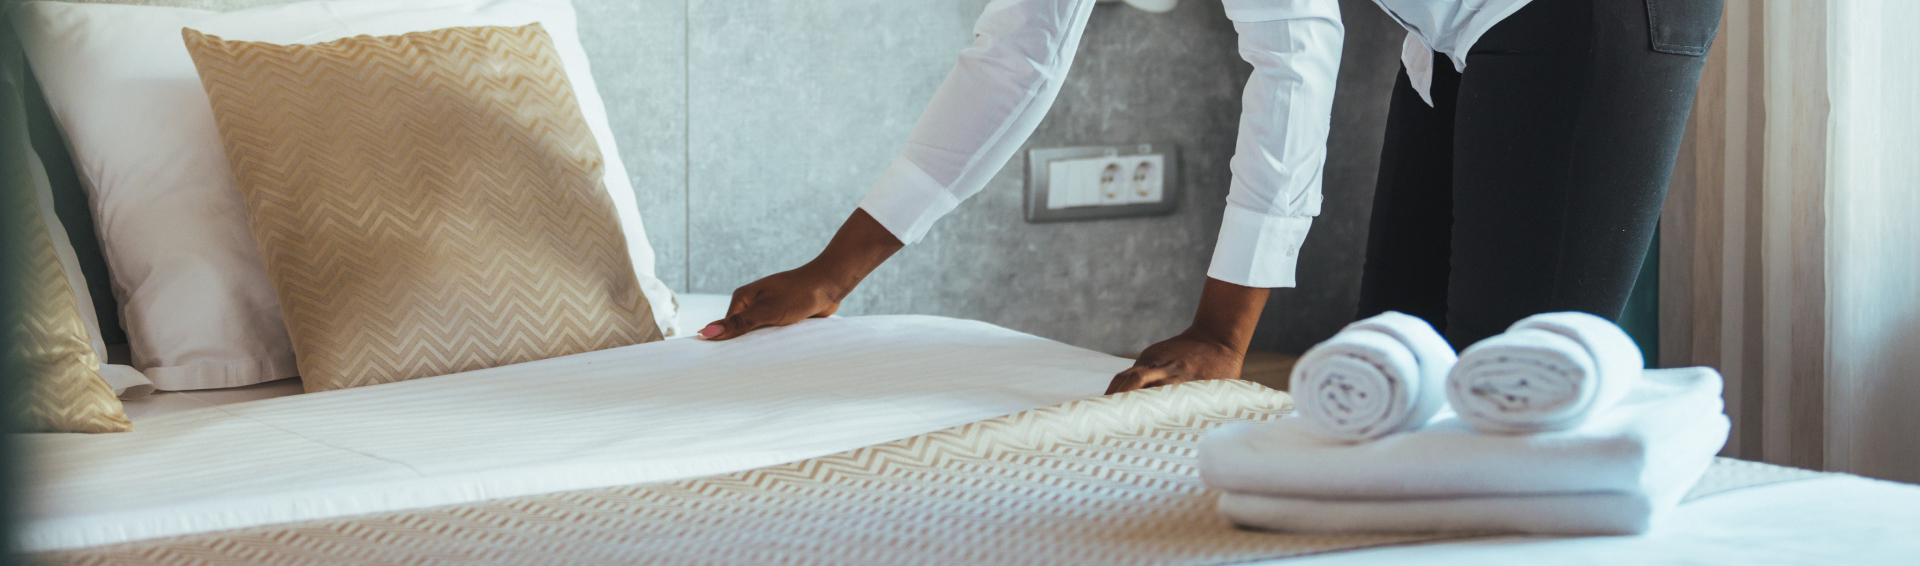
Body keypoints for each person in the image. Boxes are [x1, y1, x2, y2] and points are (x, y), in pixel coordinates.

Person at [695, 0, 1720, 393]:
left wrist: (1221, 333)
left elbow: (1296, 58)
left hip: (1586, 12)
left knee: (1516, 393)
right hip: (1453, 30)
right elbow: (1010, 59)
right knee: (1397, 381)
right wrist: (833, 273)